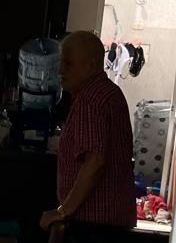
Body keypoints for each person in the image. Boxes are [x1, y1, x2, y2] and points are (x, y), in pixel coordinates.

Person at [40, 30, 136, 230]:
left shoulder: (90, 100)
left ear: (90, 65)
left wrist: (63, 211)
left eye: (68, 64)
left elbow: (95, 161)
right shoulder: (110, 92)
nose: (60, 70)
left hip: (94, 222)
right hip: (115, 218)